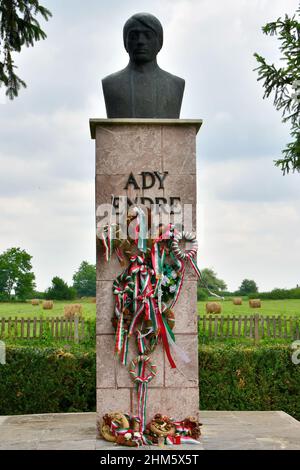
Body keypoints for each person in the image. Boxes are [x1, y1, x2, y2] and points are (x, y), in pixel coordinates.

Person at [102, 12, 185, 118]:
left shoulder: (175, 84)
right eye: (133, 36)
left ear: (159, 42)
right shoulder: (110, 84)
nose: (140, 41)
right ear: (125, 43)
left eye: (148, 35)